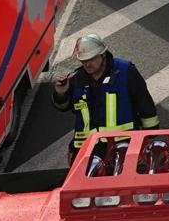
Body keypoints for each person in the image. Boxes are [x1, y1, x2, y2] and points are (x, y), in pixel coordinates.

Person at [52, 34, 159, 163]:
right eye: (83, 61)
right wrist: (61, 94)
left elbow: (144, 102)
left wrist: (149, 134)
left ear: (103, 54)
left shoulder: (125, 71)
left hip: (123, 143)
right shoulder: (76, 79)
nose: (87, 64)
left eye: (91, 59)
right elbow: (62, 107)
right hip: (88, 149)